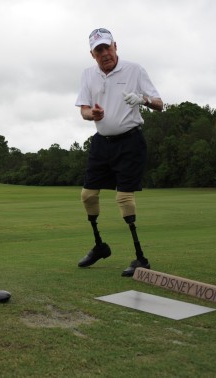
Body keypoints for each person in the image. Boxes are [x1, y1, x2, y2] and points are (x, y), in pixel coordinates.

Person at [74, 28, 163, 277]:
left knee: (123, 199)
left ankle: (140, 258)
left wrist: (142, 100)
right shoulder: (88, 75)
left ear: (115, 46)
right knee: (88, 195)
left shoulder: (135, 70)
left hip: (130, 142)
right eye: (98, 50)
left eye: (107, 48)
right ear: (92, 54)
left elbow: (159, 103)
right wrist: (94, 114)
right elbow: (83, 110)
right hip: (102, 142)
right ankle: (100, 246)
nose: (104, 54)